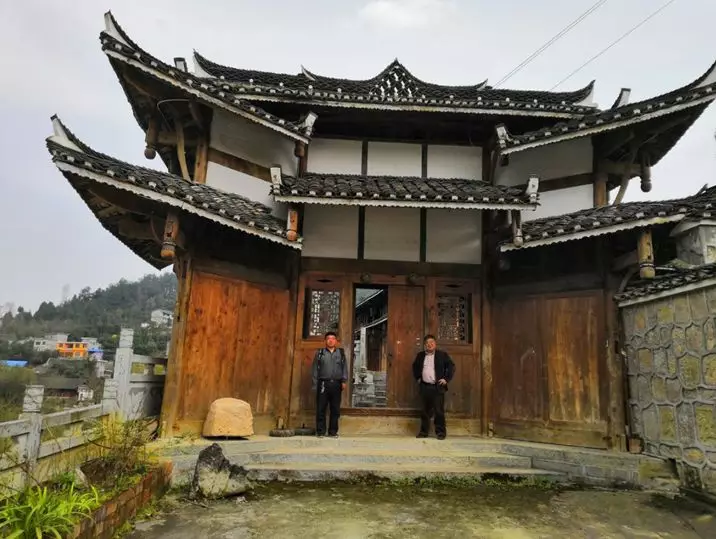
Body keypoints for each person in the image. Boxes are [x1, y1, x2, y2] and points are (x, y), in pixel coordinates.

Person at [411, 334, 455, 440]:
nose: (429, 345)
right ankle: (423, 432)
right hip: (424, 387)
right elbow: (415, 367)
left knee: (438, 411)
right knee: (424, 411)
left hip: (437, 387)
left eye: (431, 342)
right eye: (427, 343)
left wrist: (446, 379)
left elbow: (451, 366)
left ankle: (440, 433)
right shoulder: (420, 355)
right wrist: (418, 378)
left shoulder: (442, 355)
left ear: (435, 344)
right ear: (424, 345)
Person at [311, 331, 348, 438]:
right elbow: (314, 369)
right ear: (325, 341)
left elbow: (344, 368)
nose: (330, 340)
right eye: (328, 338)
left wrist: (344, 381)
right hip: (323, 383)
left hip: (336, 384)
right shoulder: (320, 353)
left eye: (333, 338)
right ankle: (320, 431)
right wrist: (315, 384)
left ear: (336, 341)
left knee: (335, 409)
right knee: (321, 408)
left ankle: (333, 432)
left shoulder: (341, 353)